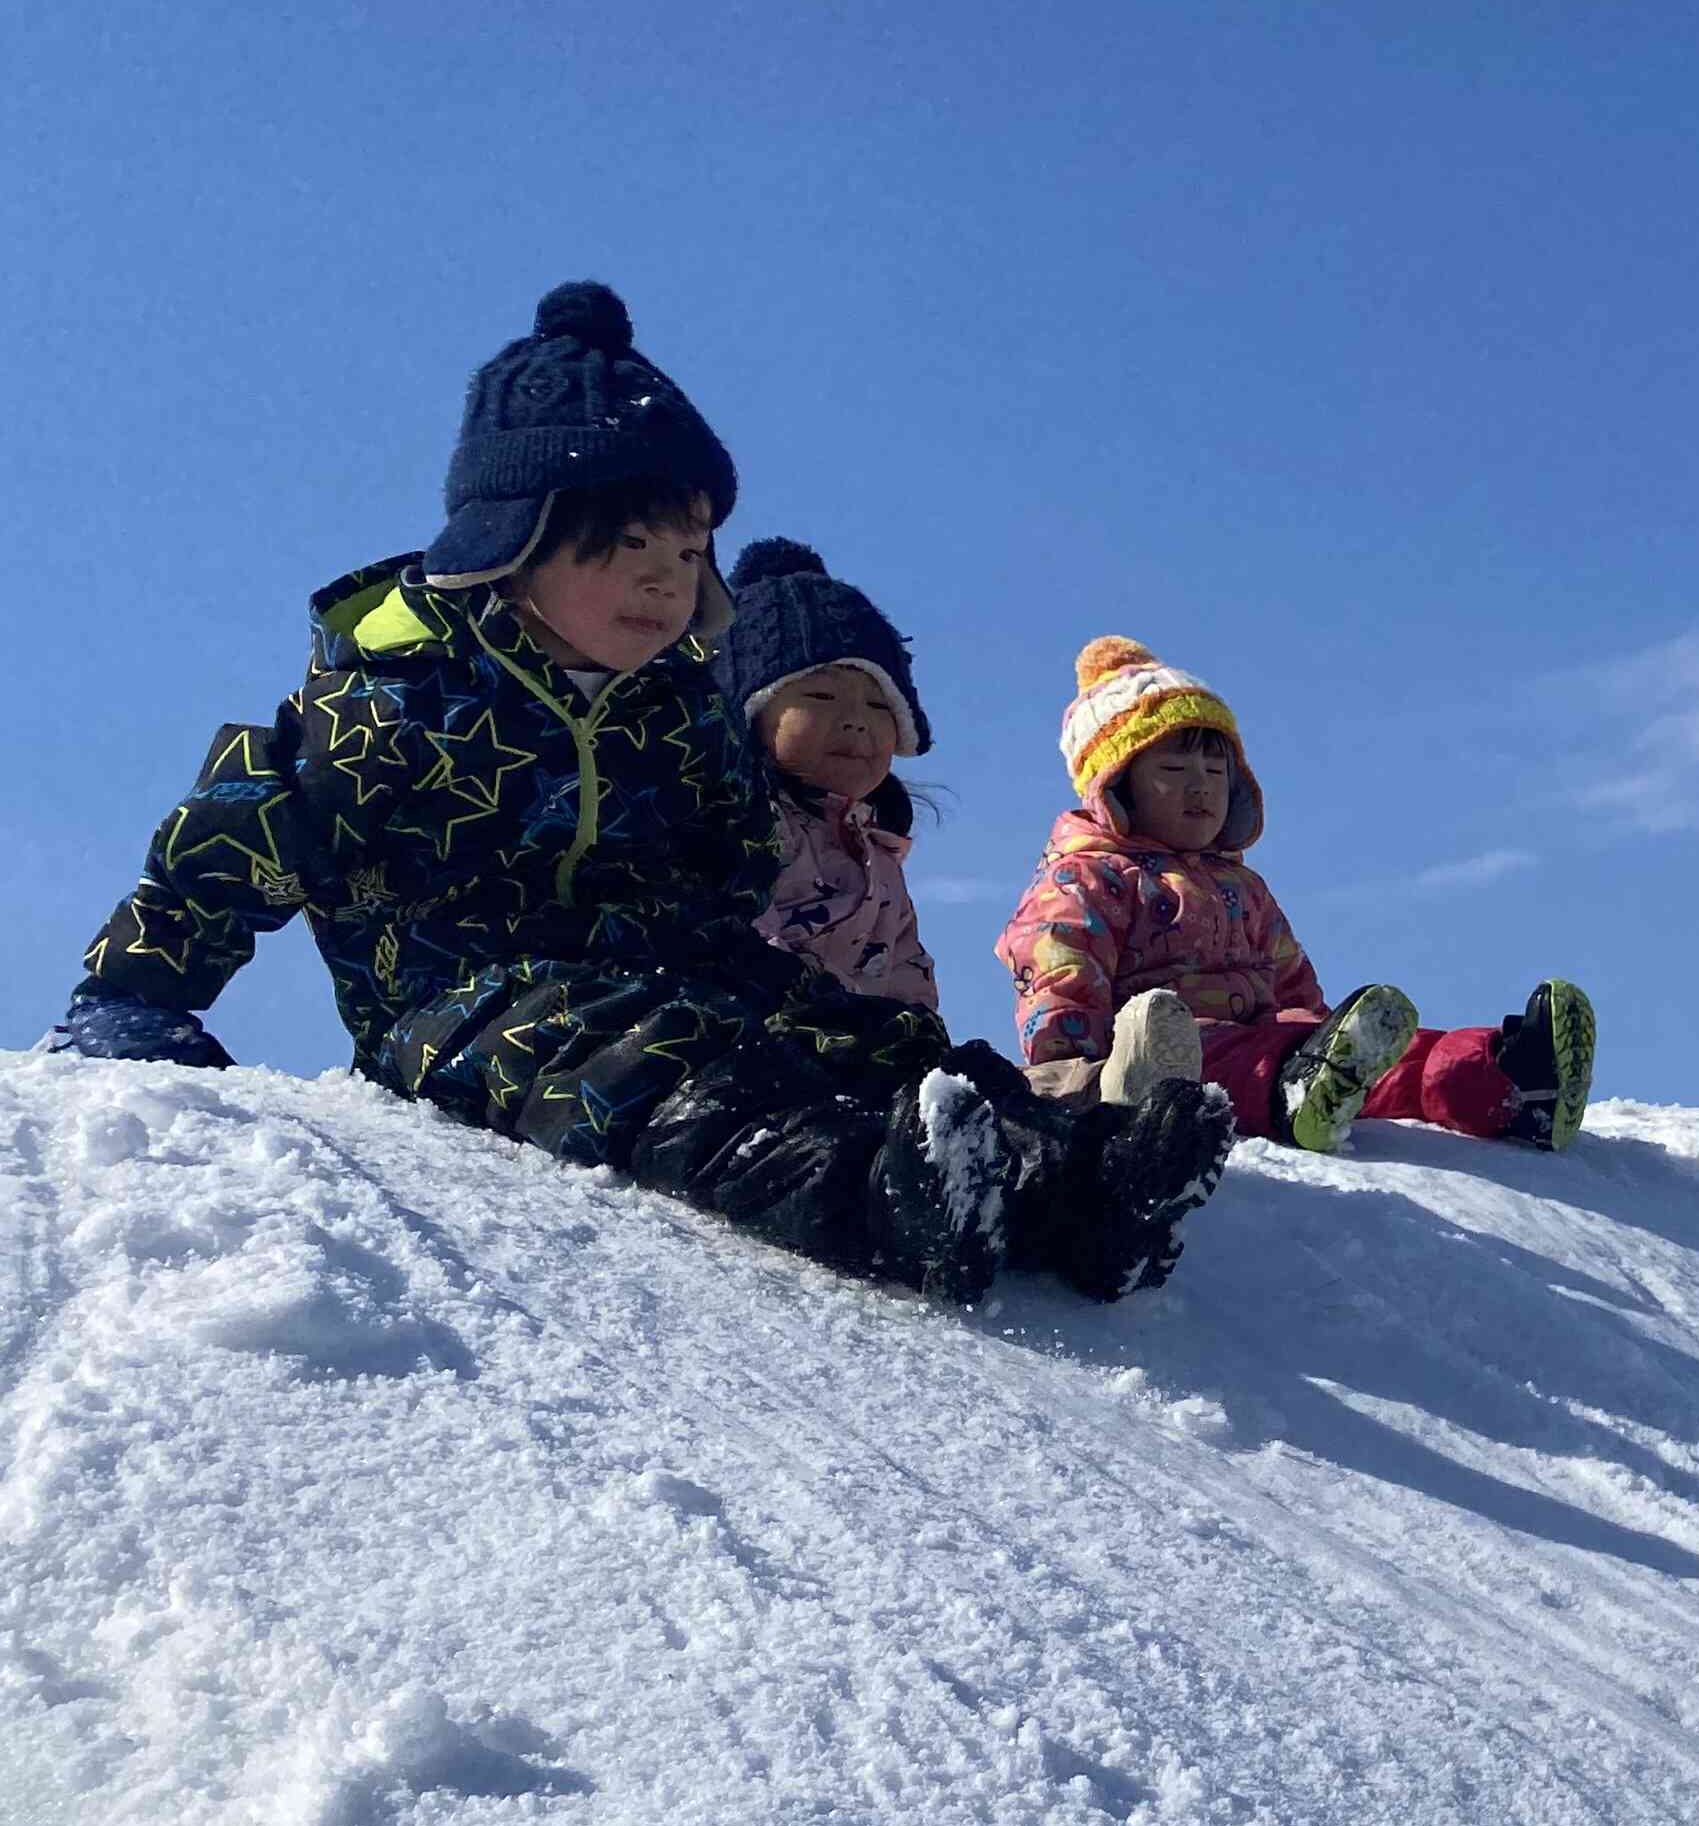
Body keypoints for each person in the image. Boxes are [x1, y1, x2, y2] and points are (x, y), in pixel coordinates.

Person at [48, 283, 1231, 1309]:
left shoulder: (673, 704)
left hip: (669, 958)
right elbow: (233, 841)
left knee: (851, 1031)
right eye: (629, 551)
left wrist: (738, 941)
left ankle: (1075, 1181)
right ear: (513, 541)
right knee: (644, 1066)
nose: (666, 586)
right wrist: (135, 998)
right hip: (468, 1000)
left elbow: (724, 844)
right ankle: (878, 1200)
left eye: (688, 556)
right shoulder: (394, 701)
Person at [1000, 636, 1593, 1152]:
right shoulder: (1087, 878)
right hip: (1158, 1060)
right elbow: (1060, 968)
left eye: (1215, 773)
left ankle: (1509, 1080)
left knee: (1383, 1057)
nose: (1200, 789)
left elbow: (1289, 981)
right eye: (1175, 772)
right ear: (1116, 786)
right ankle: (1299, 1087)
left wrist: (1319, 1032)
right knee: (1228, 1057)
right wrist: (1076, 1071)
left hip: (1270, 1044)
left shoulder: (1242, 887)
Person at [720, 538, 937, 1008]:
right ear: (748, 715)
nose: (857, 720)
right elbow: (733, 941)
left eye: (881, 705)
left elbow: (906, 972)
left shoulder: (878, 857)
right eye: (821, 697)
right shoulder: (741, 824)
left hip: (860, 1059)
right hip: (755, 1041)